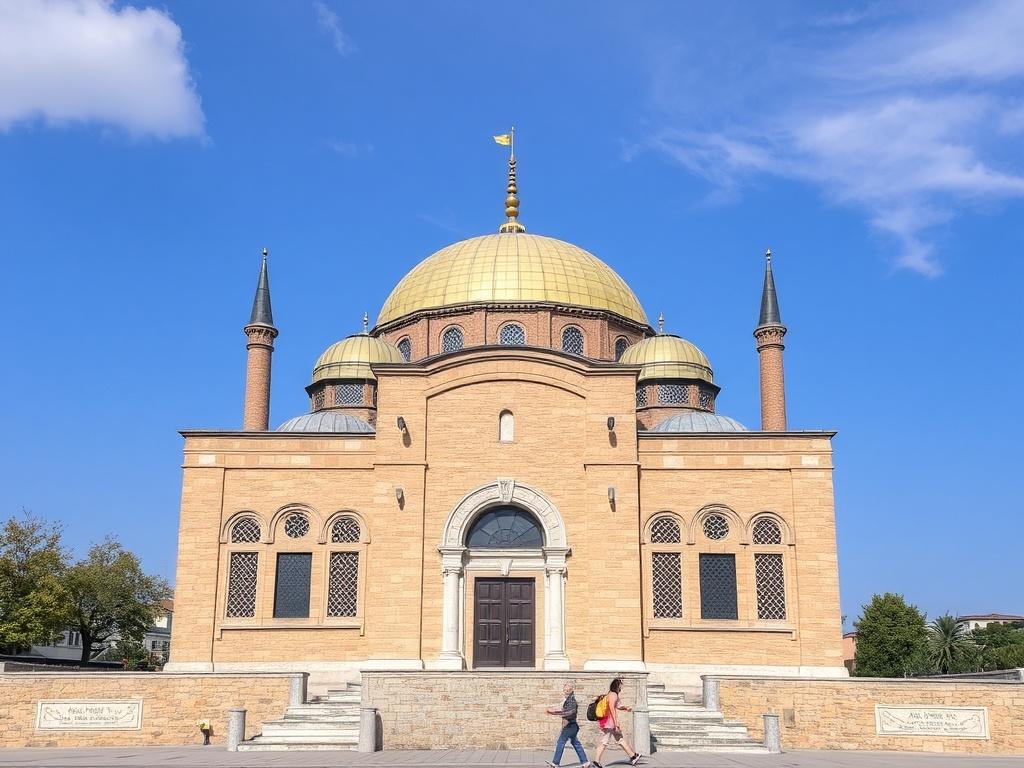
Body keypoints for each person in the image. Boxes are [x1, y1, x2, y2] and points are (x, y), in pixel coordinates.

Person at [591, 677, 642, 768]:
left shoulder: (611, 694)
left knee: (619, 738)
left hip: (608, 722)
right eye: (621, 685)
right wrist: (616, 723)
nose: (621, 687)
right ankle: (596, 761)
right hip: (609, 722)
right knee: (604, 741)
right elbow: (612, 709)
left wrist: (626, 708)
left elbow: (618, 706)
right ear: (617, 686)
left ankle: (633, 756)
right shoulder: (613, 695)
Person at [545, 681, 588, 767]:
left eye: (567, 691)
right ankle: (585, 762)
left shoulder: (572, 701)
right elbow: (563, 709)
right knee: (575, 743)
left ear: (571, 690)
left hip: (570, 726)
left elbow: (568, 713)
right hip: (572, 726)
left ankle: (555, 763)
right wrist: (553, 710)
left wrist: (553, 712)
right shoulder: (568, 700)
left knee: (561, 742)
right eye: (564, 690)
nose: (565, 692)